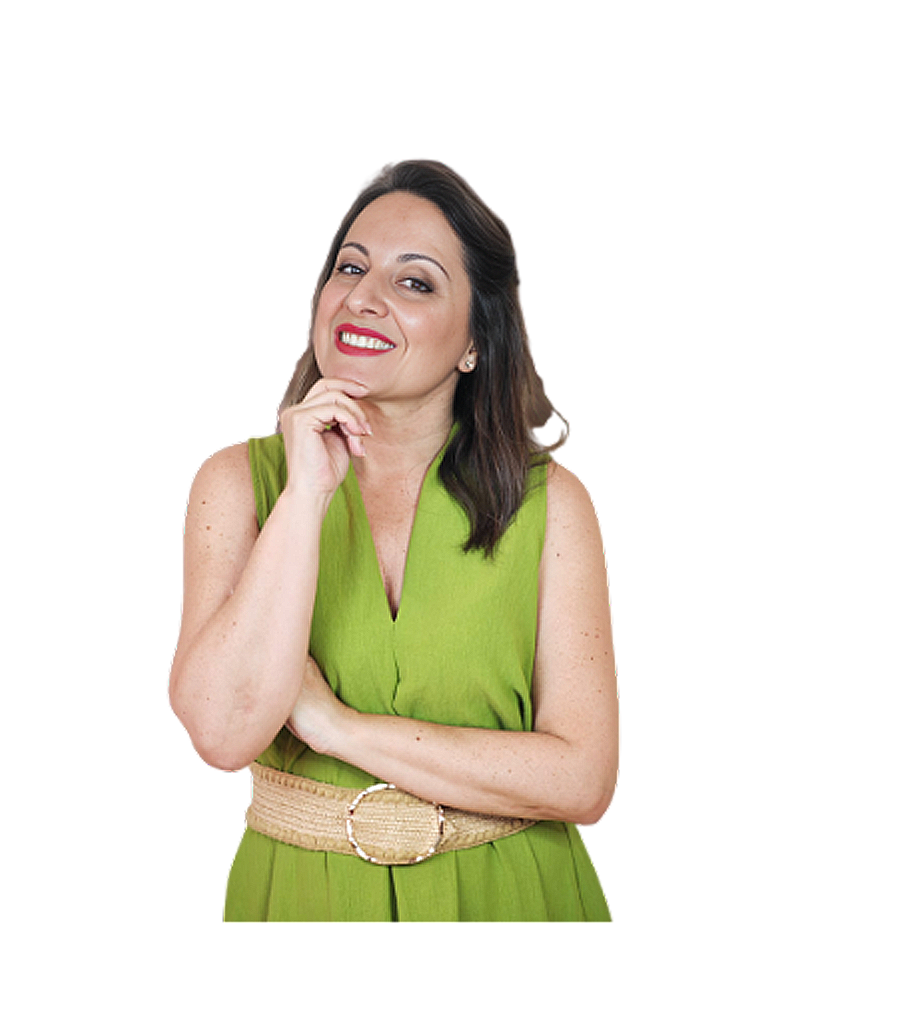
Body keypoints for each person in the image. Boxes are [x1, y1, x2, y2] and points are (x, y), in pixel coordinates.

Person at [167, 159, 618, 923]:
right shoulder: (238, 483)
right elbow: (220, 733)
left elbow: (583, 781)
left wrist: (331, 725)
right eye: (350, 267)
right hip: (301, 900)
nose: (364, 297)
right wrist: (306, 496)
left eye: (415, 282)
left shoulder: (553, 504)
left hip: (511, 898)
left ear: (475, 341)